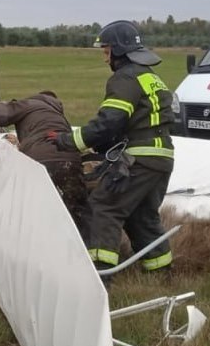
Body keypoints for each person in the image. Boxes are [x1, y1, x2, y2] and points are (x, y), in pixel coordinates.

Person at [50, 20, 175, 273]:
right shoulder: (151, 77)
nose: (105, 59)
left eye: (106, 52)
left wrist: (67, 141)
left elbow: (109, 122)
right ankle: (162, 273)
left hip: (139, 159)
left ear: (119, 51)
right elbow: (125, 125)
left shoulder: (125, 77)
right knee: (142, 217)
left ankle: (100, 276)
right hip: (161, 159)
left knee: (103, 209)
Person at [0, 92, 88, 229]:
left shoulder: (30, 104)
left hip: (40, 161)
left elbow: (1, 114)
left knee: (36, 212)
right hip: (72, 161)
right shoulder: (58, 117)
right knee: (75, 213)